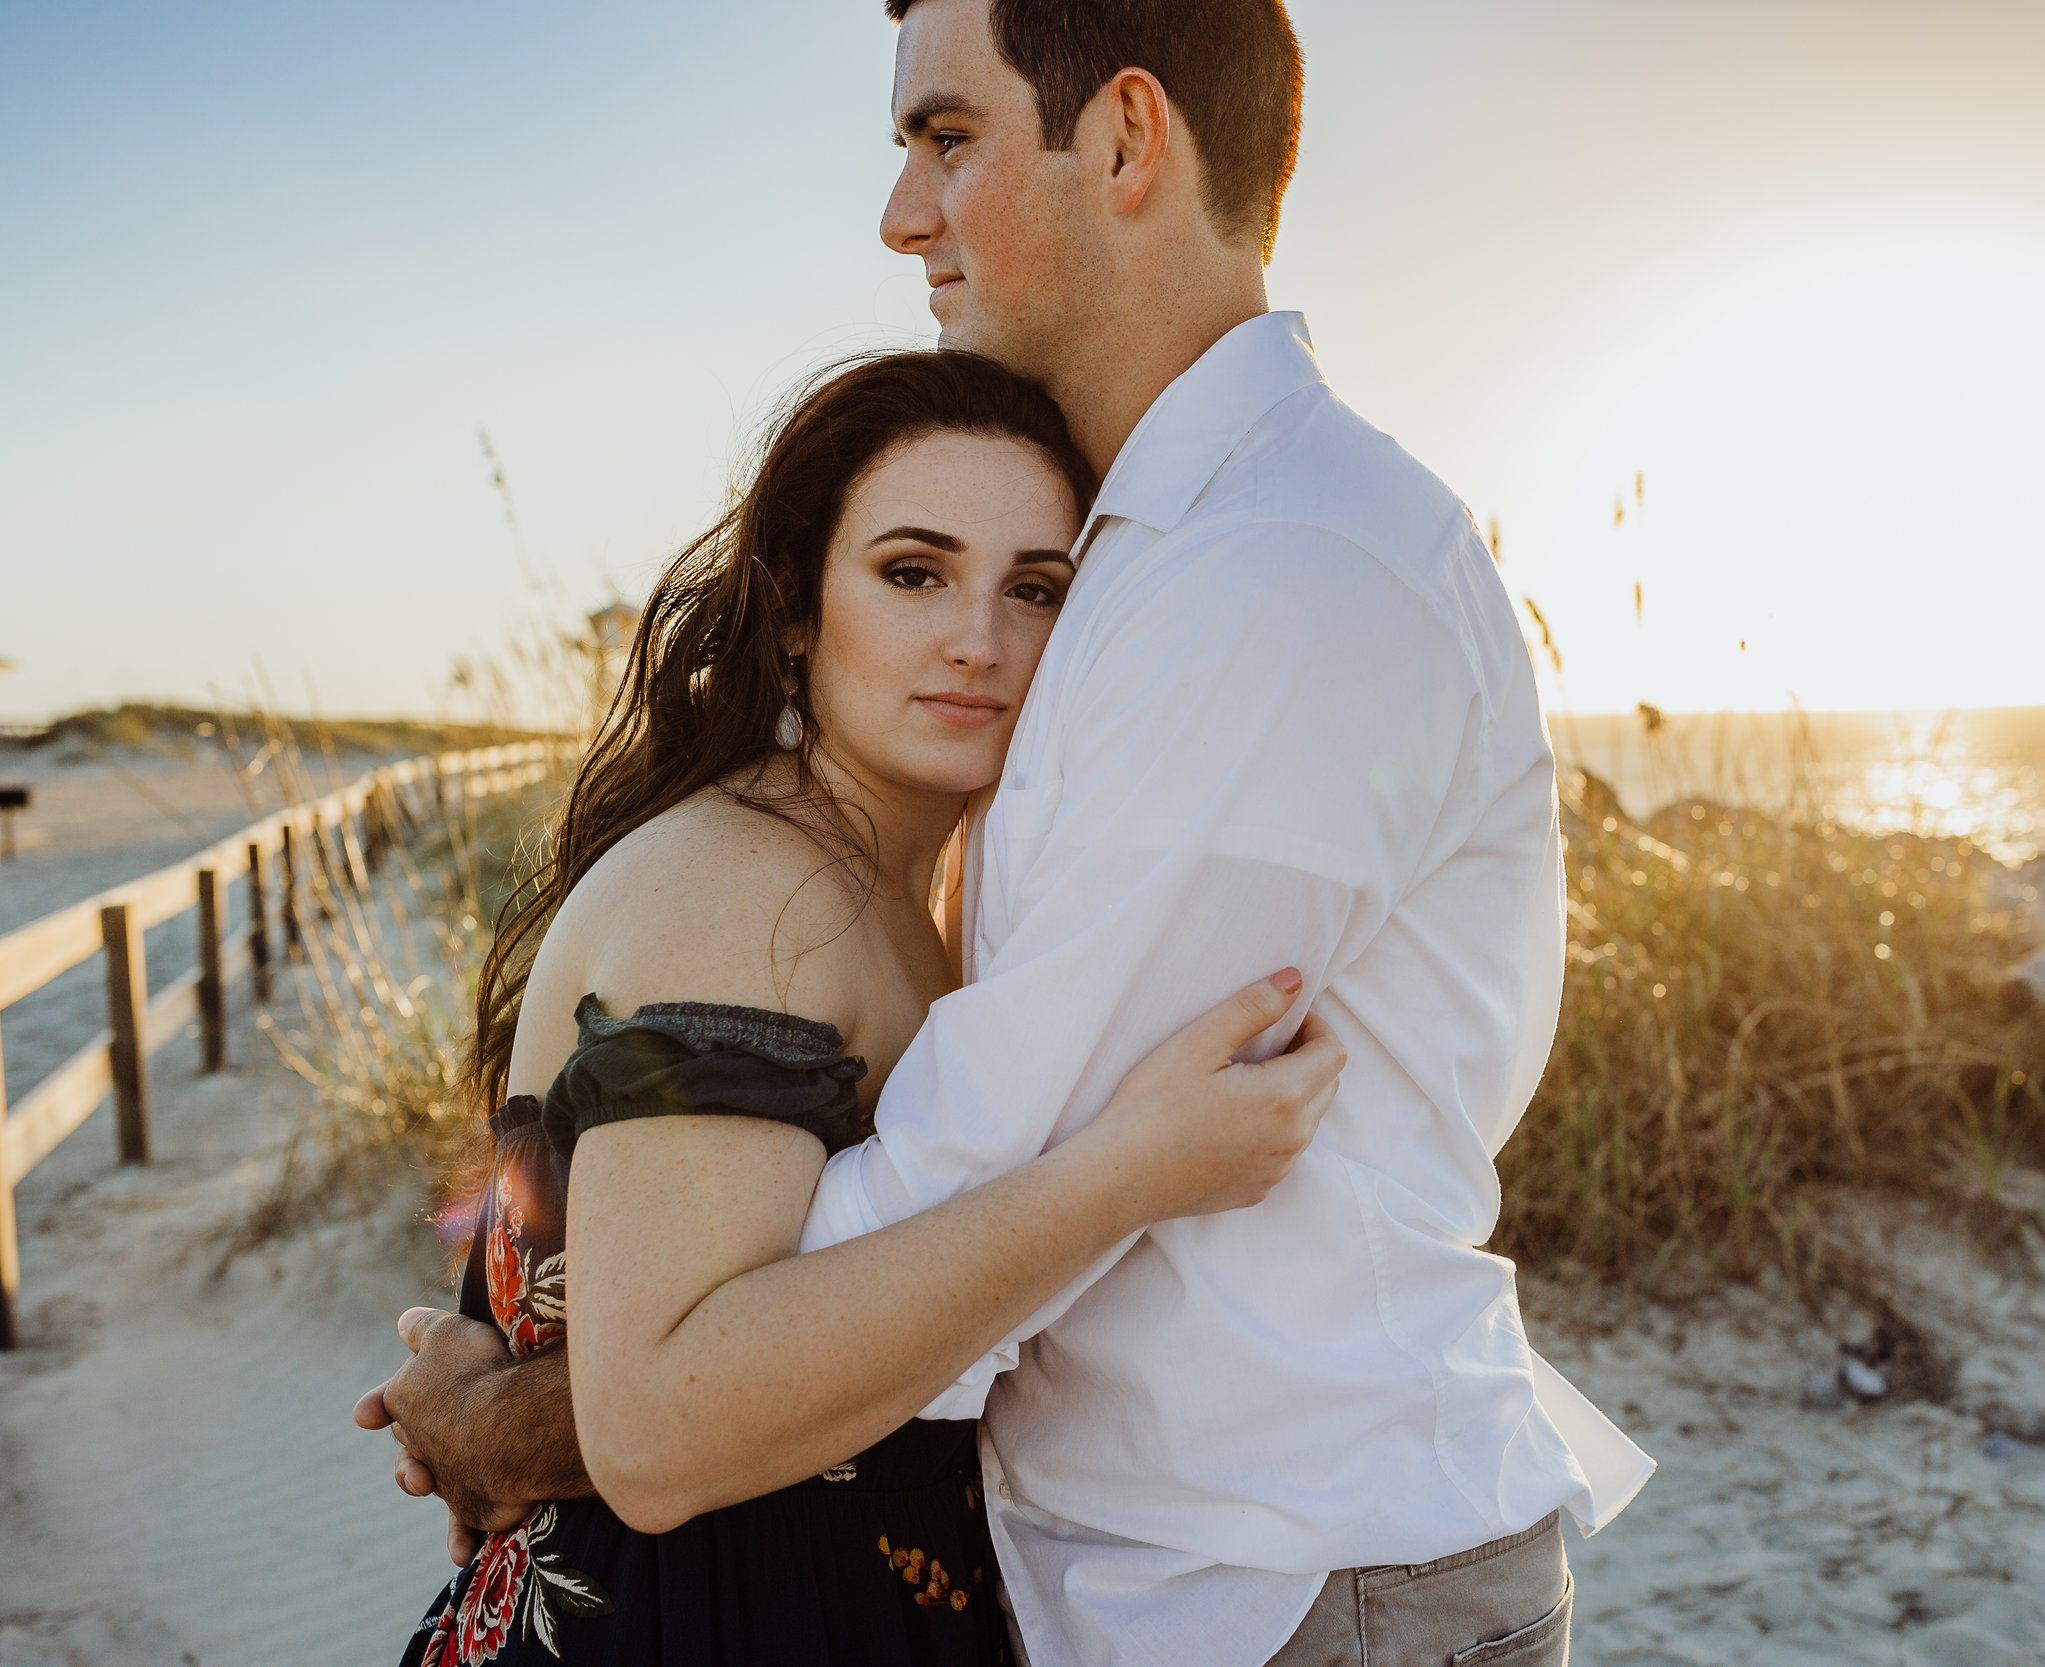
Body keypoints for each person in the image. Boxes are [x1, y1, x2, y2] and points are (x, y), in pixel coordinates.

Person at [373, 2, 1660, 1663]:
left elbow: (960, 1195)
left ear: (1127, 140)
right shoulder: (1157, 558)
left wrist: (527, 1420)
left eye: (948, 137)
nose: (902, 215)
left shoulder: (1267, 575)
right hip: (1198, 1573)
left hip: (1282, 1587)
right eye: (913, 574)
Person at [364, 349, 1346, 1666]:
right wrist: (1130, 1175)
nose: (978, 640)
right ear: (793, 610)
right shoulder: (753, 894)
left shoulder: (879, 887)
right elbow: (656, 1428)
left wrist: (486, 1400)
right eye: (913, 572)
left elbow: (551, 1265)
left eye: (1037, 590)